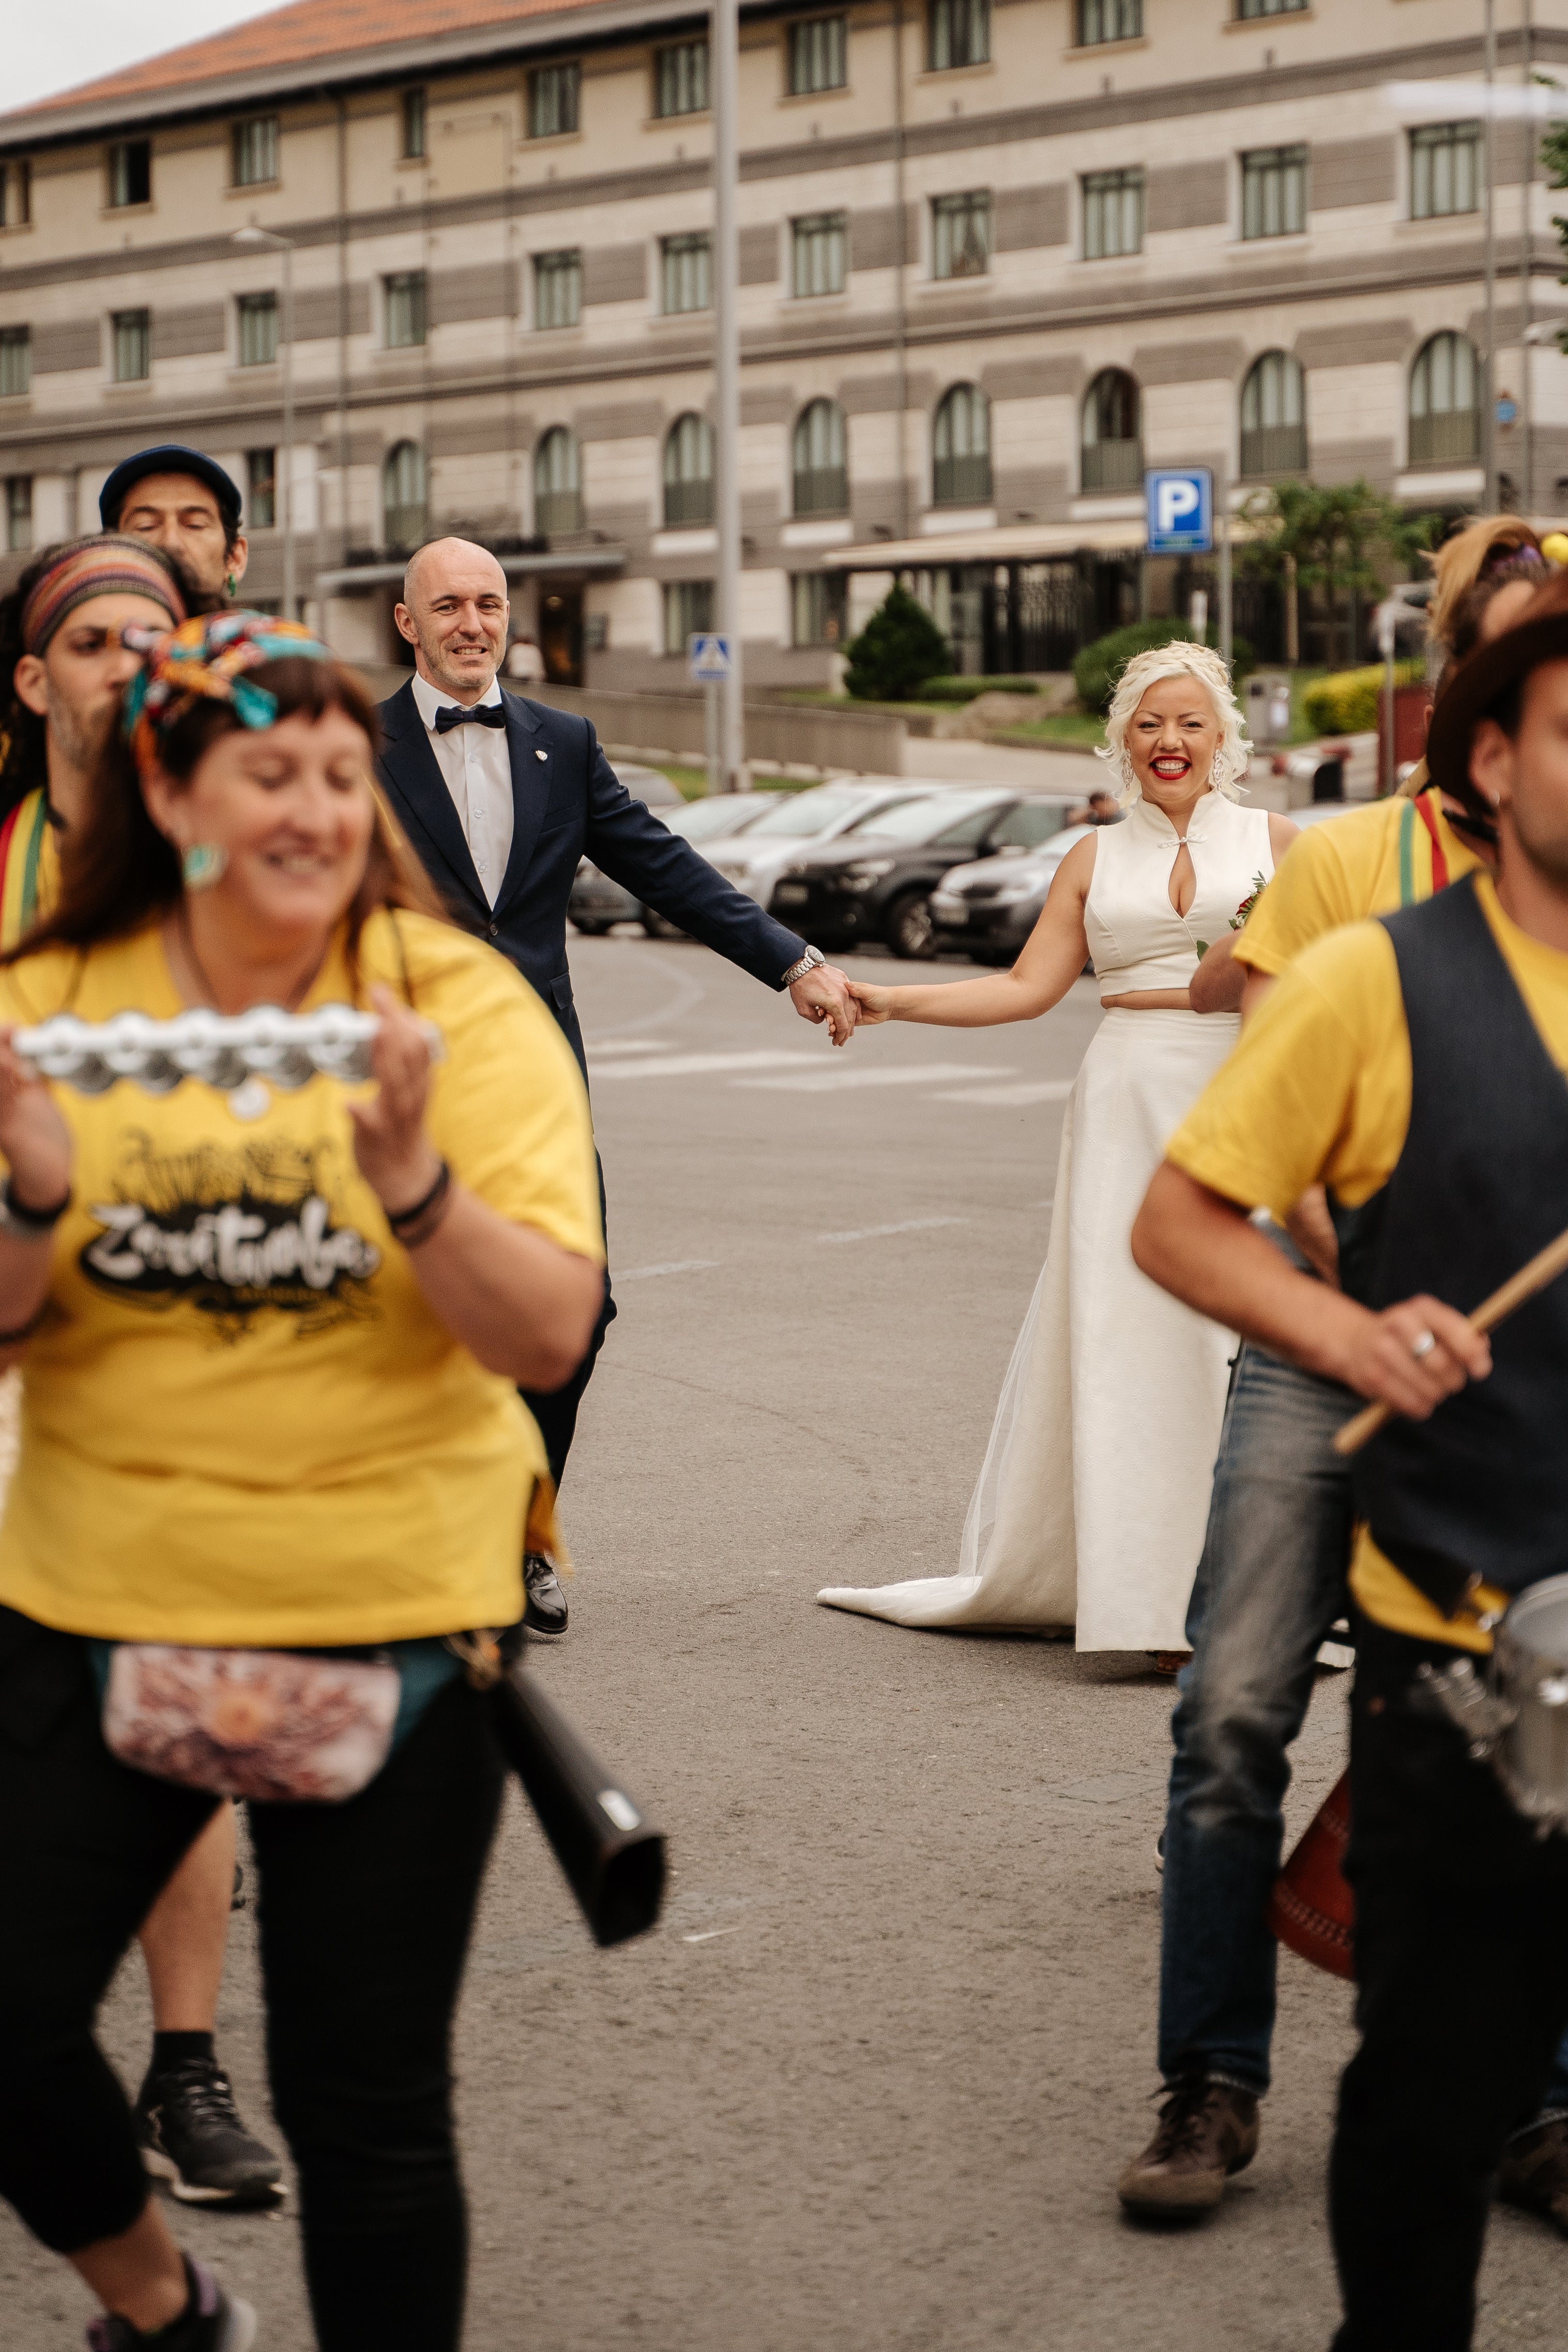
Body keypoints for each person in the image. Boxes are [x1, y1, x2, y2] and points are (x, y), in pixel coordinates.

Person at [0, 610, 605, 2352]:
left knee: (367, 2112)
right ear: (174, 791)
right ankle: (164, 2305)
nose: (320, 807)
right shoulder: (50, 999)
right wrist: (36, 1197)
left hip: (390, 1627)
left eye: (345, 774)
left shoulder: (454, 1000)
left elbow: (548, 1331)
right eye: (271, 768)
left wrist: (416, 1183)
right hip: (102, 1609)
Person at [1130, 572, 1568, 2350]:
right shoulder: (1376, 965)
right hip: (1448, 1601)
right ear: (1490, 752)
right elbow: (1187, 1214)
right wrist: (1353, 1330)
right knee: (1240, 1729)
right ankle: (1211, 2075)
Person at [374, 536, 857, 1632]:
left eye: (488, 603)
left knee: (576, 1308)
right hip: (394, 1078)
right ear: (406, 623)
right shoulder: (354, 743)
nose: (471, 623)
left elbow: (666, 866)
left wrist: (793, 961)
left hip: (535, 1079)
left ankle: (520, 1528)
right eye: (446, 604)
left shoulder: (561, 742)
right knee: (402, 1314)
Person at [816, 643, 1296, 1649]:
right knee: (1126, 1338)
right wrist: (891, 999)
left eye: (1190, 722)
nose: (1169, 741)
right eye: (1149, 723)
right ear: (1123, 739)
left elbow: (1323, 978)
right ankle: (1132, 1593)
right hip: (1122, 1099)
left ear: (1223, 739)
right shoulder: (1091, 854)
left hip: (1238, 1091)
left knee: (1225, 1346)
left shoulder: (1277, 842)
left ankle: (1238, 1594)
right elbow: (1026, 989)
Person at [0, 537, 284, 2211]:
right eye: (91, 641)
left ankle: (186, 2062)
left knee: (186, 1707)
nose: (124, 662)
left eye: (150, 639)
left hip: (183, 1344)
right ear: (33, 682)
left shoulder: (234, 876)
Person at [99, 446, 248, 614]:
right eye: (146, 526)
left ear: (235, 558)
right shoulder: (74, 637)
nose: (171, 542)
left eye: (195, 525)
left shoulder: (271, 639)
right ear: (109, 553)